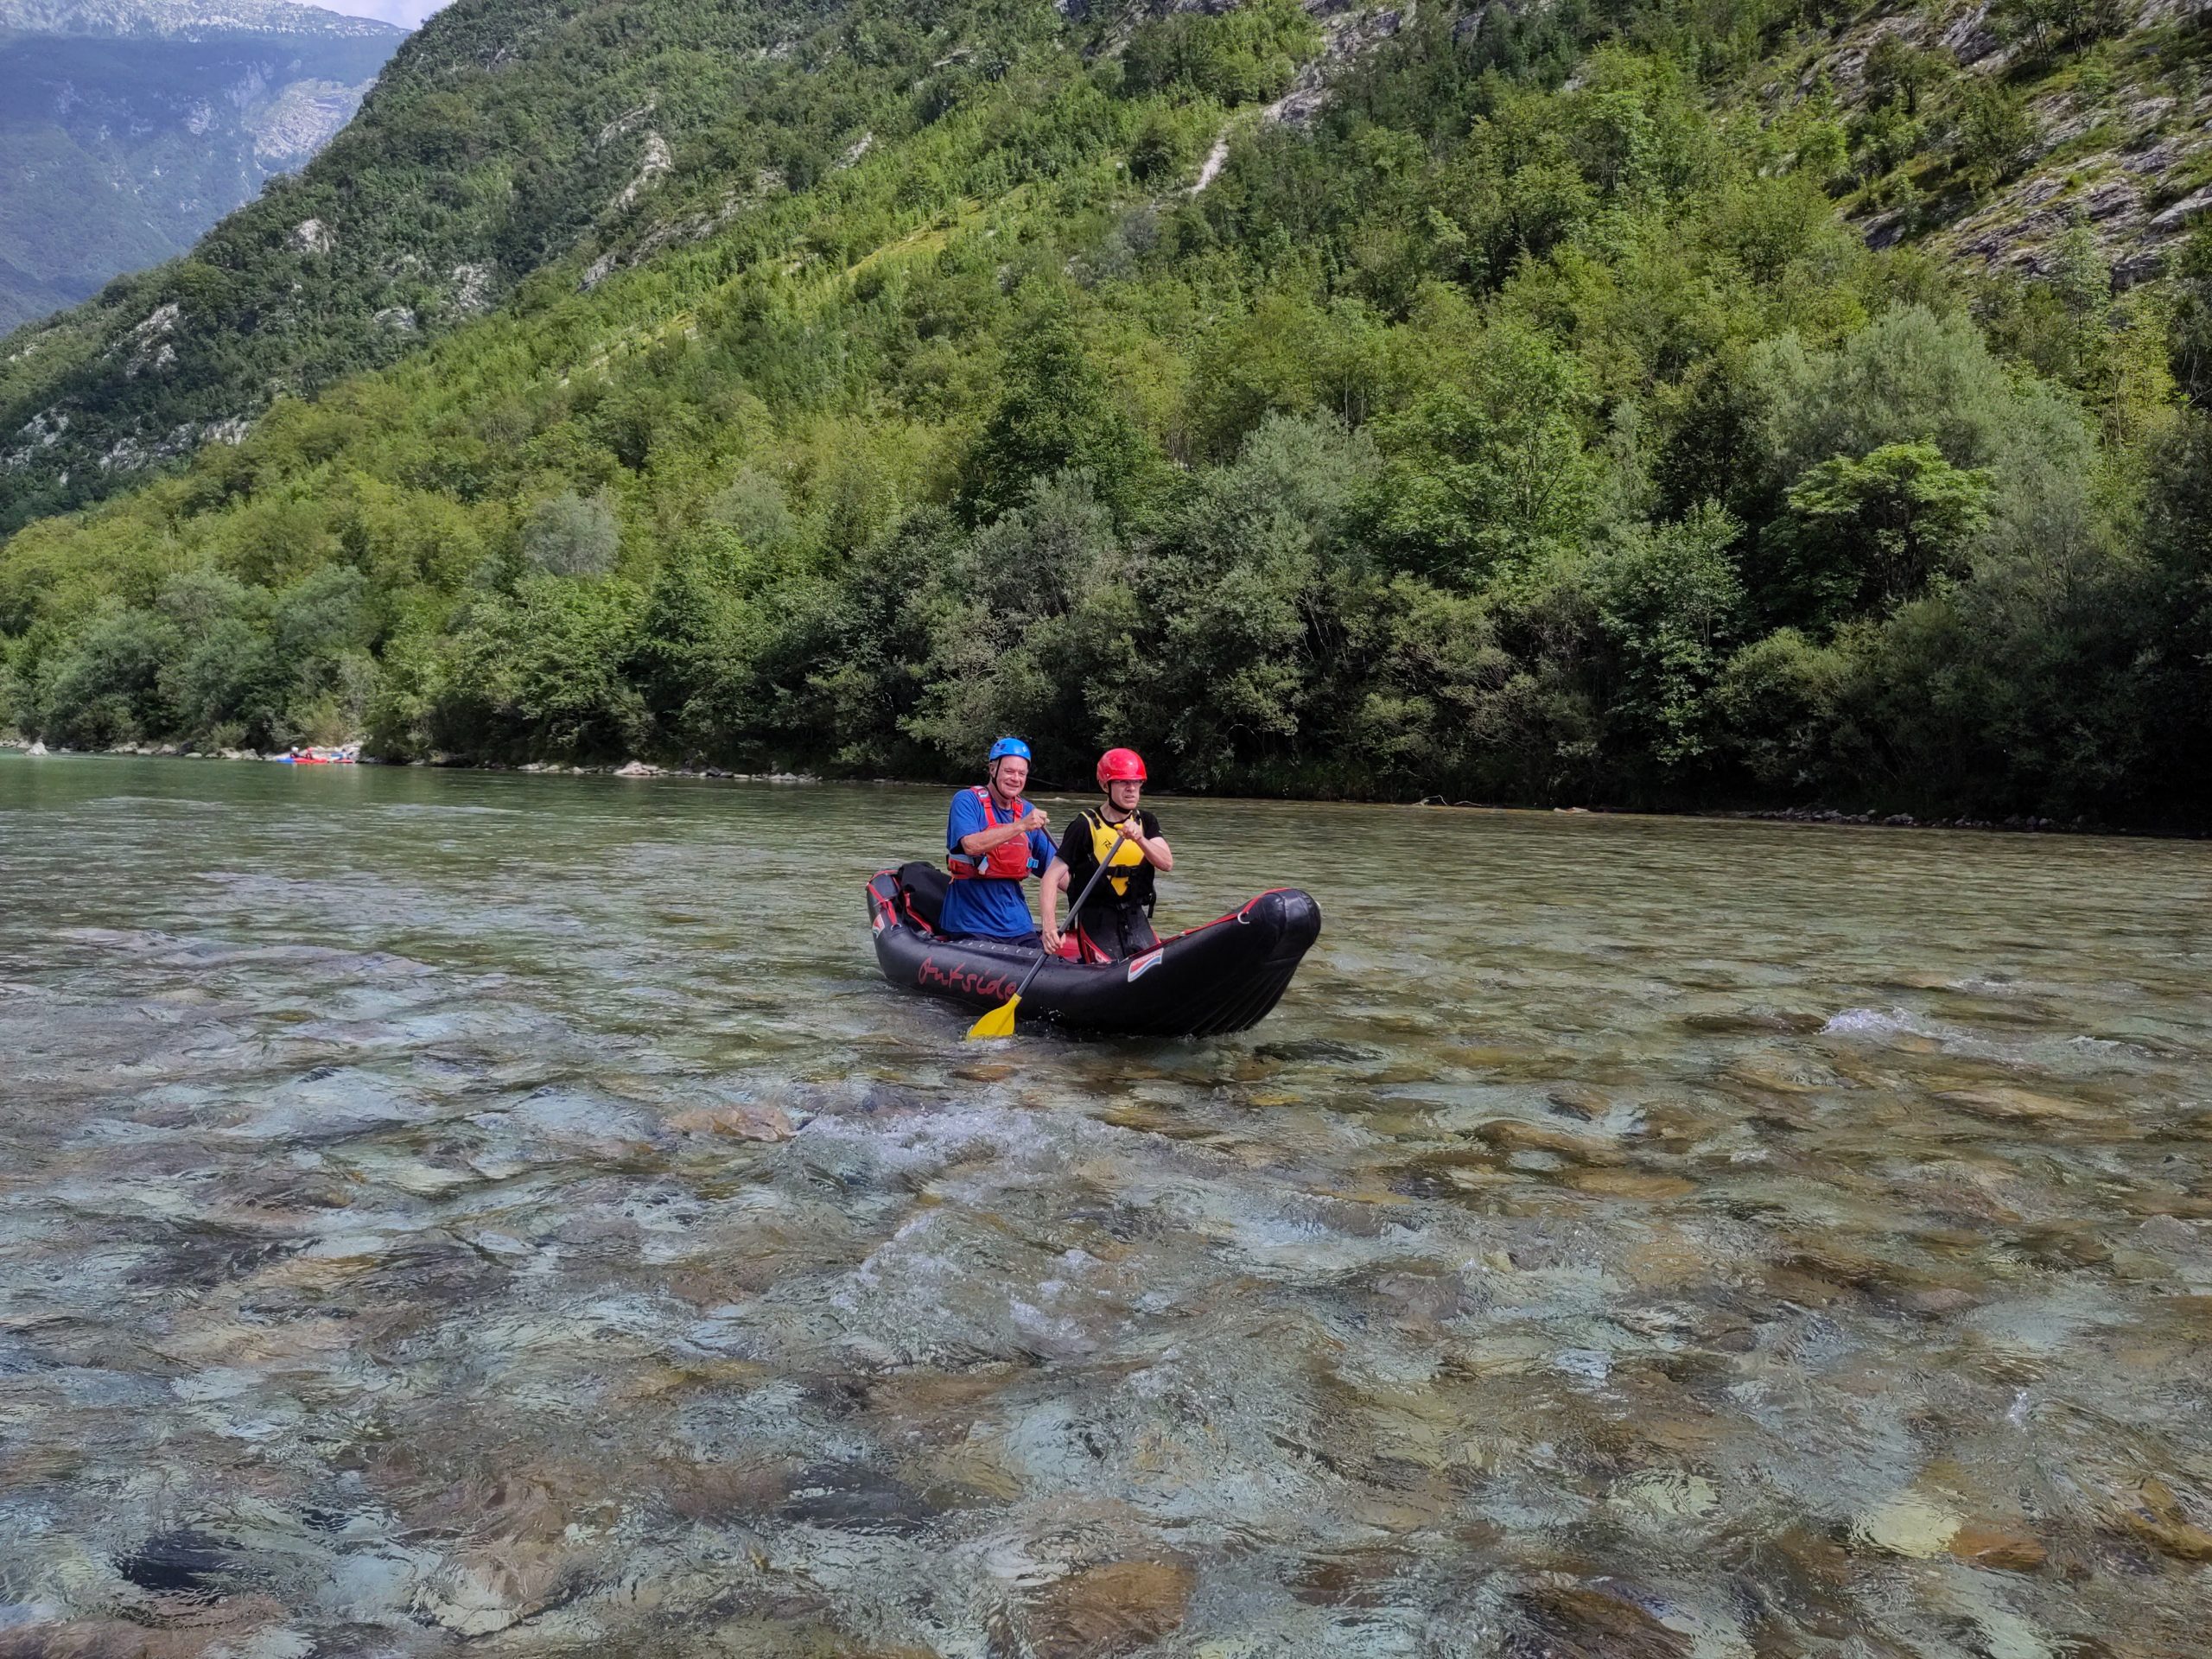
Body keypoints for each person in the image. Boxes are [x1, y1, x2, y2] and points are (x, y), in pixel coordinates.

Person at [1041, 747, 1173, 963]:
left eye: (1136, 782)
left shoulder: (1146, 822)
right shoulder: (1084, 826)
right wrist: (1049, 927)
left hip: (1135, 917)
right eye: (1123, 782)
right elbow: (1050, 878)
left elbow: (1166, 863)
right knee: (1110, 969)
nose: (1131, 789)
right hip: (1097, 921)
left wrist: (1140, 839)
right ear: (1105, 786)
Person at [941, 735, 1057, 944]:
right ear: (993, 769)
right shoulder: (966, 800)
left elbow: (1056, 870)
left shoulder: (1027, 810)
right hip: (970, 924)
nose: (1016, 778)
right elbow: (970, 845)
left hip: (1018, 925)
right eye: (1009, 771)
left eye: (1022, 773)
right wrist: (1020, 826)